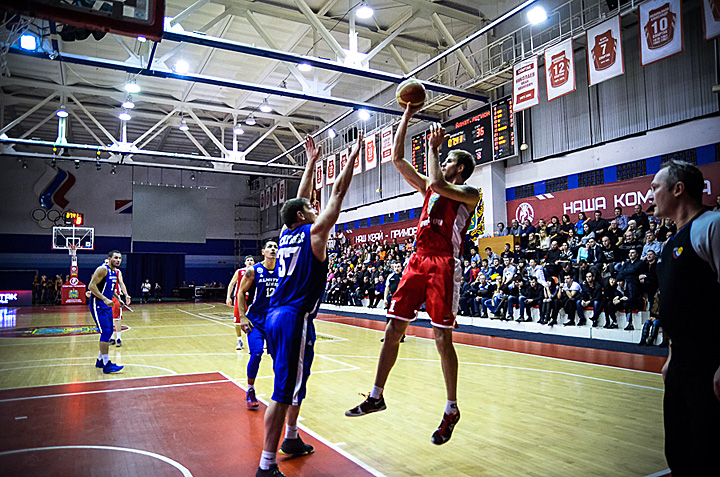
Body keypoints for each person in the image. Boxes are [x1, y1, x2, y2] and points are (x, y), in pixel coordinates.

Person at [346, 109, 479, 448]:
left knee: (441, 338)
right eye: (442, 159)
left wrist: (434, 148)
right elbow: (396, 158)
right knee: (393, 329)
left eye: (448, 160)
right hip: (417, 260)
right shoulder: (429, 189)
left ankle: (451, 409)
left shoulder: (469, 192)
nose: (443, 163)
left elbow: (439, 184)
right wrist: (407, 113)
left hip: (444, 264)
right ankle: (376, 395)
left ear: (460, 168)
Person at [256, 131, 362, 477]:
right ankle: (266, 465)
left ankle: (290, 438)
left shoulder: (286, 232)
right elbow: (339, 193)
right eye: (311, 208)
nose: (316, 207)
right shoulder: (314, 233)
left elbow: (298, 200)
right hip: (293, 318)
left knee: (294, 382)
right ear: (303, 216)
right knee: (282, 392)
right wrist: (352, 157)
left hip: (276, 315)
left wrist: (312, 163)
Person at [650, 160, 720, 475]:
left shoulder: (712, 226)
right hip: (680, 363)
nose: (650, 195)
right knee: (678, 451)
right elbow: (678, 306)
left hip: (709, 363)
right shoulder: (670, 243)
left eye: (655, 188)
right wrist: (671, 355)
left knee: (706, 453)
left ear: (678, 189)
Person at [235, 240, 279, 410]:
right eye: (269, 247)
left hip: (275, 320)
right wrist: (242, 317)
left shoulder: (283, 270)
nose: (273, 249)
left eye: (275, 247)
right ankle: (250, 389)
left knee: (278, 357)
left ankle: (279, 392)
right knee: (256, 353)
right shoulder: (253, 271)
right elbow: (241, 292)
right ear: (263, 252)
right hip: (256, 320)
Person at [88, 250, 129, 374]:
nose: (118, 260)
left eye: (120, 258)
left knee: (110, 331)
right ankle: (106, 364)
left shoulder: (115, 272)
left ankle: (100, 360)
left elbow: (111, 289)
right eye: (115, 258)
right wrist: (104, 299)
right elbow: (91, 286)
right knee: (106, 332)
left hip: (107, 304)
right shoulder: (102, 269)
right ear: (109, 258)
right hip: (98, 304)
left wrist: (118, 298)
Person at [226, 255, 256, 351]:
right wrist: (228, 297)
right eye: (248, 260)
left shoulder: (257, 271)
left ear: (254, 262)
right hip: (239, 299)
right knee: (237, 321)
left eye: (251, 260)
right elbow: (232, 284)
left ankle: (259, 340)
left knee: (255, 321)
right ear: (245, 263)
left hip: (252, 299)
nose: (250, 261)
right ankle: (239, 341)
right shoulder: (239, 271)